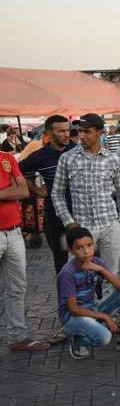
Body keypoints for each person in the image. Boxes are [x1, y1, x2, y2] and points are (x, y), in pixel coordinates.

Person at [57, 226, 120, 359]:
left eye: (89, 245)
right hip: (72, 319)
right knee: (104, 338)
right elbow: (73, 309)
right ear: (71, 250)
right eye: (79, 248)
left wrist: (101, 270)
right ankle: (76, 341)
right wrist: (105, 317)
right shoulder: (67, 273)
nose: (86, 251)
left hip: (91, 308)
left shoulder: (96, 262)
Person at [52, 113, 120, 277]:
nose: (81, 136)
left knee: (110, 274)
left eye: (87, 132)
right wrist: (69, 222)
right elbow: (57, 193)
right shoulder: (67, 158)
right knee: (81, 275)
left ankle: (108, 303)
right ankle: (86, 304)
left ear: (100, 132)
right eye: (80, 131)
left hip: (110, 225)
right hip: (82, 227)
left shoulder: (113, 159)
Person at [1, 148, 48, 352]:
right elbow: (17, 189)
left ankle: (17, 336)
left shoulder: (7, 158)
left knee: (17, 287)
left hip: (14, 232)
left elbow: (23, 191)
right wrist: (9, 190)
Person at [19, 115, 75, 273]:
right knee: (61, 260)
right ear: (49, 133)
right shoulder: (40, 156)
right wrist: (36, 189)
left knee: (90, 257)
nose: (66, 134)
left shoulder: (77, 151)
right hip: (54, 216)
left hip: (81, 213)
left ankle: (94, 297)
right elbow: (17, 172)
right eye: (61, 131)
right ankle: (66, 297)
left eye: (67, 130)